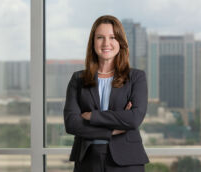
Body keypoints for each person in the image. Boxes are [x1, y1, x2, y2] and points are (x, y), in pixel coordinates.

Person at [64, 15, 149, 172]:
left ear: (120, 42)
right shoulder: (78, 79)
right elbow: (71, 123)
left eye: (112, 37)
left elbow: (134, 119)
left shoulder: (136, 77)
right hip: (87, 160)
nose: (106, 43)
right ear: (93, 42)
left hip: (127, 161)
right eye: (100, 37)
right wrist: (113, 129)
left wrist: (92, 116)